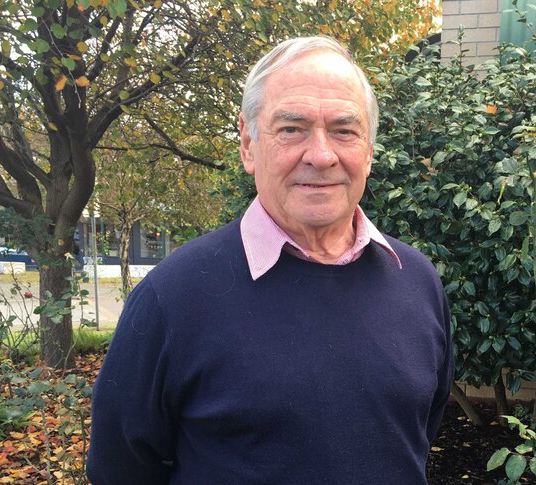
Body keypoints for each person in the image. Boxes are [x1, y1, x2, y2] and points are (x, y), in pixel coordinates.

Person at [86, 36, 453, 483]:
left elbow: (415, 435)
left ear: (369, 151)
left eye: (344, 129)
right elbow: (121, 469)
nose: (321, 155)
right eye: (291, 128)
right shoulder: (172, 298)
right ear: (247, 145)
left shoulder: (415, 279)